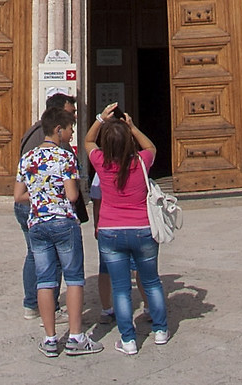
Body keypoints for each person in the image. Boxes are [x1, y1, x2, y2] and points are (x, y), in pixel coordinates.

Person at [14, 102, 100, 357]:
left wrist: (40, 197)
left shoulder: (28, 158)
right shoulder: (65, 156)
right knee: (73, 279)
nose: (72, 133)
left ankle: (50, 339)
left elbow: (18, 195)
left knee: (45, 280)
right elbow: (72, 195)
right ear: (58, 129)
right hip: (63, 221)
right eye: (71, 128)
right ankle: (75, 337)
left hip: (38, 222)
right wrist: (56, 196)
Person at [89, 104, 170, 352]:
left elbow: (88, 141)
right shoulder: (142, 162)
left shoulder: (101, 163)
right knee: (152, 281)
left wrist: (100, 119)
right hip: (143, 229)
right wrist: (132, 127)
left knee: (121, 289)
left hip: (111, 230)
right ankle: (160, 331)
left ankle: (128, 340)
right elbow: (151, 147)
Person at [15, 92, 78, 315]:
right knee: (55, 261)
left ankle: (32, 304)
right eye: (71, 114)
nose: (74, 119)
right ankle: (50, 308)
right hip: (46, 211)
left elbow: (19, 189)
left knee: (34, 255)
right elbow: (71, 193)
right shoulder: (60, 149)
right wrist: (45, 196)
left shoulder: (31, 133)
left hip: (28, 207)